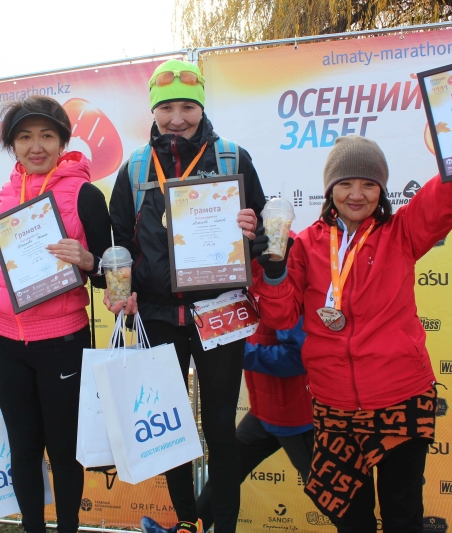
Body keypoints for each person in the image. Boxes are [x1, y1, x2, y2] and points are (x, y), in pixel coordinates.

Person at [250, 58, 452, 533]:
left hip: (401, 397)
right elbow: (279, 316)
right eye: (345, 183)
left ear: (381, 190)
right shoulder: (305, 245)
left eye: (368, 184)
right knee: (351, 519)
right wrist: (273, 273)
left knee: (402, 516)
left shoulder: (401, 233)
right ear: (329, 189)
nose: (356, 194)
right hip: (335, 407)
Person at [107, 59, 266, 533]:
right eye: (167, 108)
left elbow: (261, 232)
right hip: (158, 316)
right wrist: (121, 289)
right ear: (153, 110)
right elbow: (119, 242)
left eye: (187, 107)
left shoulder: (233, 158)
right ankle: (187, 524)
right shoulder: (135, 167)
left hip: (220, 313)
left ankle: (224, 526)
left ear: (201, 107)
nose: (177, 118)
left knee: (220, 430)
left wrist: (253, 231)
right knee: (170, 431)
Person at [0, 95, 111, 533]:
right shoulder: (2, 196)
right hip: (4, 340)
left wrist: (88, 260)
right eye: (24, 137)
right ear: (12, 145)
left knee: (63, 449)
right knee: (22, 447)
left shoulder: (87, 195)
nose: (35, 146)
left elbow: (108, 275)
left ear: (62, 142)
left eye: (46, 135)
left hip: (61, 341)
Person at [196, 315, 314, 528]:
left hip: (294, 417)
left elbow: (298, 357)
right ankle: (187, 529)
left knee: (328, 493)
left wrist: (238, 354)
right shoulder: (251, 296)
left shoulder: (280, 297)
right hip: (264, 412)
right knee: (225, 475)